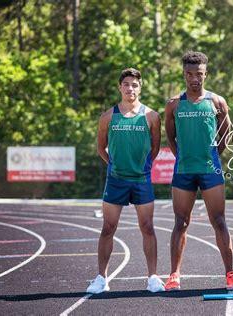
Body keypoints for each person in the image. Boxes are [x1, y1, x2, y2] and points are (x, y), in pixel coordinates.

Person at [164, 51, 233, 291]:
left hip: (210, 169)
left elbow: (226, 134)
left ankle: (231, 274)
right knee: (180, 222)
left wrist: (213, 156)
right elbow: (170, 135)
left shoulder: (217, 102)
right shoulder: (174, 104)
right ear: (184, 74)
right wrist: (182, 156)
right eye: (189, 74)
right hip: (184, 170)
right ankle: (174, 275)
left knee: (219, 221)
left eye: (199, 73)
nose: (194, 78)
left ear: (206, 73)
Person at [86, 68, 164, 294]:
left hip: (141, 179)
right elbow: (101, 148)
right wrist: (114, 164)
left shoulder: (151, 116)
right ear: (120, 87)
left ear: (141, 88)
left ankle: (152, 278)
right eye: (127, 84)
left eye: (135, 85)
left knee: (148, 227)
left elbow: (155, 147)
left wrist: (144, 166)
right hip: (116, 180)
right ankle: (101, 278)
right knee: (108, 227)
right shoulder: (108, 116)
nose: (131, 88)